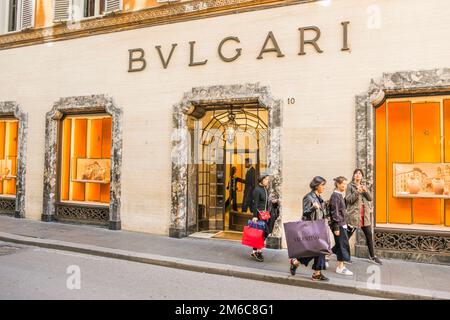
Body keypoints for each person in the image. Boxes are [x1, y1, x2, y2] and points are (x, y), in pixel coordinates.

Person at [289, 176, 329, 281]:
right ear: (316, 186)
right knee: (315, 250)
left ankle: (315, 272)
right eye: (322, 185)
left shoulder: (319, 198)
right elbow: (305, 212)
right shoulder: (308, 197)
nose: (324, 187)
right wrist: (313, 207)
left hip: (319, 227)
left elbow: (321, 213)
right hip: (311, 228)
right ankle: (297, 263)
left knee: (320, 250)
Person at [345, 169, 382, 265]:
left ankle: (372, 256)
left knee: (369, 235)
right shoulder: (350, 186)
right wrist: (357, 191)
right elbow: (349, 200)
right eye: (356, 173)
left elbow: (370, 198)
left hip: (364, 215)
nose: (358, 175)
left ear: (362, 176)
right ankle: (339, 254)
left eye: (360, 174)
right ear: (353, 176)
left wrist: (365, 190)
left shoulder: (364, 185)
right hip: (354, 215)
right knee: (346, 237)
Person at [250, 174, 279, 262]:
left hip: (265, 215)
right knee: (262, 233)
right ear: (261, 180)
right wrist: (254, 216)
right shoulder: (257, 190)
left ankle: (257, 251)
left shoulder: (265, 189)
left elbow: (266, 202)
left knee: (264, 233)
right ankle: (256, 251)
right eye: (266, 179)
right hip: (259, 215)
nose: (267, 181)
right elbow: (255, 204)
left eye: (267, 179)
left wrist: (273, 202)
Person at [329, 176, 353, 276]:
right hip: (339, 225)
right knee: (341, 246)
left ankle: (329, 259)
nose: (344, 186)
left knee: (341, 245)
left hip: (342, 224)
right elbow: (334, 213)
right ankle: (340, 267)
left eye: (345, 184)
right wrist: (336, 227)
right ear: (338, 184)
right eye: (343, 184)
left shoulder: (339, 195)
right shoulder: (335, 195)